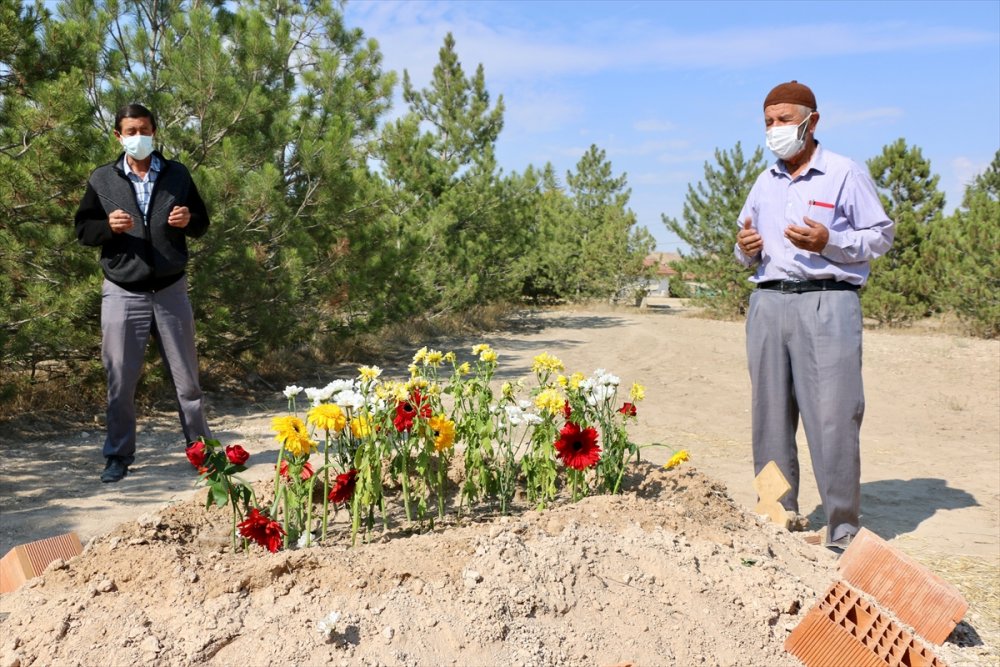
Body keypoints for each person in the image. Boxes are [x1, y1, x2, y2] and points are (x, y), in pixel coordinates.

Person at [734, 81, 894, 551]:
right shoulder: (764, 181)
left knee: (833, 416)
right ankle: (775, 514)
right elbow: (744, 244)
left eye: (784, 120)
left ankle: (841, 529)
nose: (775, 129)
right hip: (767, 302)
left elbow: (880, 236)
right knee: (769, 415)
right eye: (768, 122)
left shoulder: (844, 173)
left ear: (812, 121)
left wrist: (831, 242)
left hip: (828, 302)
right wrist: (744, 251)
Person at [75, 103, 213, 483]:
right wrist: (107, 227)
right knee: (120, 380)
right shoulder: (102, 178)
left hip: (170, 289)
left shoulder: (177, 175)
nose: (139, 137)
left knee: (187, 382)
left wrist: (189, 221)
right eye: (131, 131)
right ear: (118, 136)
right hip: (123, 292)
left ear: (155, 132)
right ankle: (118, 456)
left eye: (145, 129)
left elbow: (201, 221)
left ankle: (203, 453)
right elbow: (83, 230)